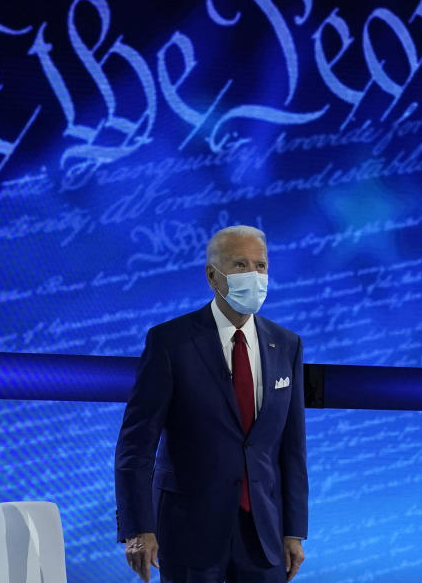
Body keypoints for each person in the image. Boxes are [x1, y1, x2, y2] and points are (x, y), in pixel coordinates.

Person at [115, 225, 308, 583]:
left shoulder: (287, 345)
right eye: (240, 265)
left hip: (263, 535)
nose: (254, 276)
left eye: (261, 266)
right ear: (212, 276)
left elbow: (292, 450)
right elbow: (135, 447)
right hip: (189, 532)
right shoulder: (170, 342)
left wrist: (294, 530)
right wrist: (138, 528)